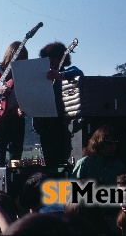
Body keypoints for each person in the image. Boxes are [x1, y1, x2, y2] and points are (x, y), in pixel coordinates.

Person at [32, 41, 84, 170]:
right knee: (50, 162)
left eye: (52, 58)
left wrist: (61, 75)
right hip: (45, 125)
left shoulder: (66, 75)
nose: (49, 62)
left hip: (62, 124)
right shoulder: (42, 78)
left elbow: (78, 72)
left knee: (65, 158)